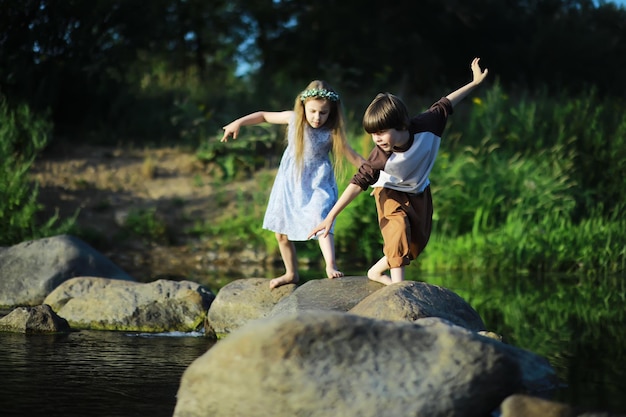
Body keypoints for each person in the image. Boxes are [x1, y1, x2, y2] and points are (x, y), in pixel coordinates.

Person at [308, 58, 489, 285]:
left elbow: (445, 103)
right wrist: (331, 216)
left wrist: (474, 84)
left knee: (415, 244)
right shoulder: (380, 156)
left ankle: (375, 272)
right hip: (388, 190)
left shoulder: (428, 125)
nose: (377, 139)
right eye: (373, 134)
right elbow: (357, 183)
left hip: (418, 190)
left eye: (382, 132)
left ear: (402, 125)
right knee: (398, 229)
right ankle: (399, 287)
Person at [221, 80, 364, 289]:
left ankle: (330, 265)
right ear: (303, 106)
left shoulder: (331, 132)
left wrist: (378, 174)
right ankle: (291, 273)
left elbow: (353, 157)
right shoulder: (294, 119)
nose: (317, 117)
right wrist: (238, 123)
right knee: (281, 232)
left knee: (321, 218)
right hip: (289, 183)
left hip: (317, 182)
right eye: (313, 111)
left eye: (323, 113)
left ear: (331, 112)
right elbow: (264, 115)